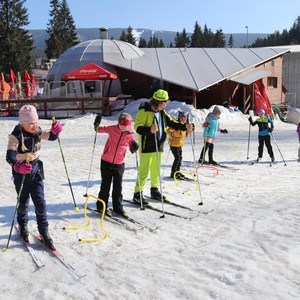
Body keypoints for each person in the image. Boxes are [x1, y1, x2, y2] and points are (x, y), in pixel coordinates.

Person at [6, 104, 63, 250]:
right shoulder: (15, 135)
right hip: (21, 173)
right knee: (23, 202)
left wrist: (56, 132)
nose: (34, 125)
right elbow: (10, 155)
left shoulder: (37, 131)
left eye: (36, 122)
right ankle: (23, 225)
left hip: (36, 171)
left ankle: (44, 232)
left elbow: (51, 136)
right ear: (22, 123)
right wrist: (16, 165)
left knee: (40, 202)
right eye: (31, 123)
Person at [133, 89, 193, 204]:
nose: (166, 104)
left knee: (156, 169)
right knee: (144, 170)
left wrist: (185, 127)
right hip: (147, 145)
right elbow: (137, 128)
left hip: (158, 145)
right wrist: (149, 130)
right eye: (165, 102)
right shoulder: (144, 111)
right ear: (158, 102)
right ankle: (137, 193)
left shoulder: (162, 112)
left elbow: (172, 123)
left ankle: (154, 190)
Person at [94, 112, 138, 217]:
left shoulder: (130, 133)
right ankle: (101, 206)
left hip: (119, 163)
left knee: (118, 187)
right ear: (118, 123)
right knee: (105, 185)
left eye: (125, 125)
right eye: (121, 125)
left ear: (129, 124)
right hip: (106, 161)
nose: (123, 127)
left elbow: (131, 143)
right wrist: (96, 125)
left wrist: (134, 146)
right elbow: (100, 129)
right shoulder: (112, 129)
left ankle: (117, 207)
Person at [167, 110, 193, 179]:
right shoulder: (176, 123)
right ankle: (173, 173)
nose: (184, 118)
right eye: (183, 117)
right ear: (180, 117)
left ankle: (177, 172)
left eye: (185, 117)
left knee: (180, 158)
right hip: (173, 144)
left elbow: (187, 133)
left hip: (180, 144)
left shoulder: (184, 124)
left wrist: (190, 130)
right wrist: (172, 133)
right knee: (177, 158)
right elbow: (168, 130)